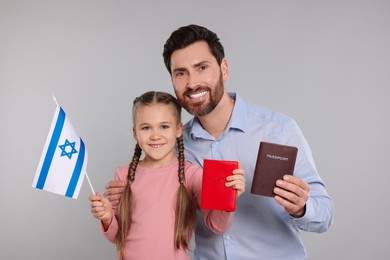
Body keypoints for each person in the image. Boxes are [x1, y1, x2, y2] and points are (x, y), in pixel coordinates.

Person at [104, 25, 334, 259]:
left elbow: (325, 215)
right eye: (181, 73)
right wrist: (124, 195)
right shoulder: (173, 148)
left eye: (202, 68)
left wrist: (301, 208)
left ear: (224, 68)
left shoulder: (278, 129)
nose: (192, 83)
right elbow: (151, 210)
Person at [89, 91, 246, 260]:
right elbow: (116, 236)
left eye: (164, 126)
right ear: (135, 133)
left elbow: (217, 225)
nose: (155, 135)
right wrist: (107, 218)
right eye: (146, 127)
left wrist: (228, 197)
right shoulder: (123, 174)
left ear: (178, 129)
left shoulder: (192, 175)